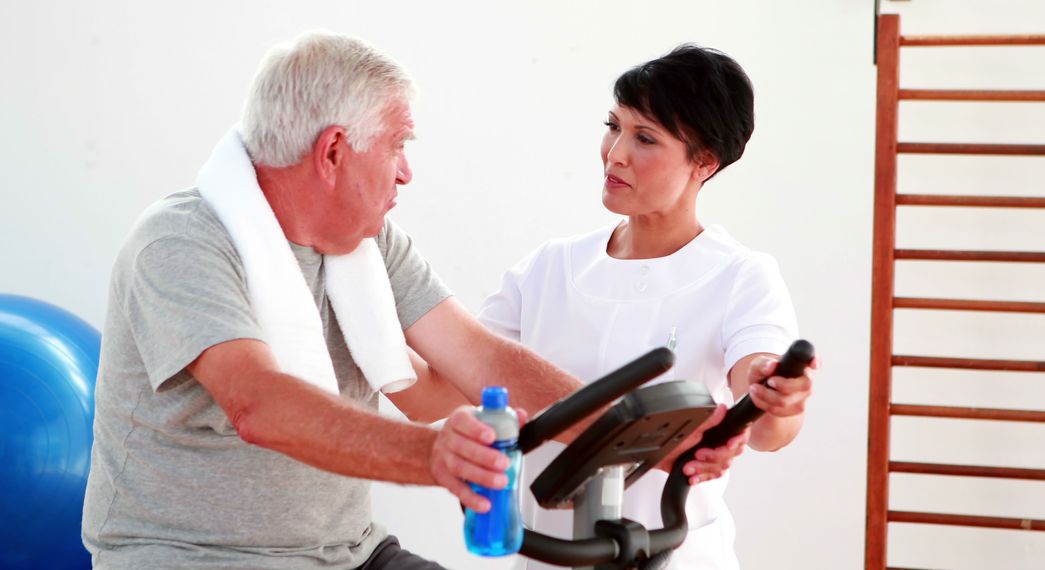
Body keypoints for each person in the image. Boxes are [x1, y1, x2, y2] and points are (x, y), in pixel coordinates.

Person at [80, 31, 593, 569]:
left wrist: (641, 430)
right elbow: (259, 404)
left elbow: (476, 361)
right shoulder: (181, 243)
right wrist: (433, 457)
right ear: (332, 152)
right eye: (398, 145)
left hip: (351, 553)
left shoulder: (371, 240)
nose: (406, 171)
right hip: (197, 557)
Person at [478, 45, 817, 569]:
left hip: (672, 554)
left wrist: (778, 397)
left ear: (705, 162)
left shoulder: (740, 275)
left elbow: (768, 425)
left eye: (644, 138)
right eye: (613, 126)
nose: (614, 153)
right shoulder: (550, 267)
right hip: (549, 556)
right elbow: (445, 379)